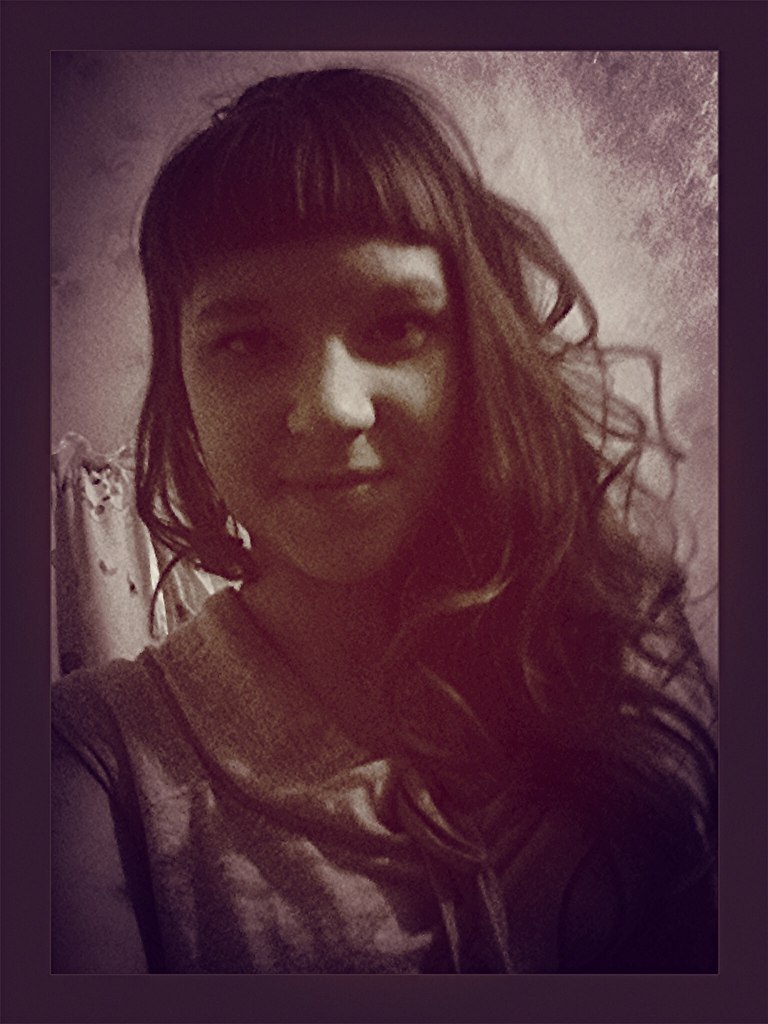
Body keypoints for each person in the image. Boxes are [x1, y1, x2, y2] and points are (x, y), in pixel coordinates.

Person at [51, 66, 717, 974]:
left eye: (397, 326)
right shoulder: (90, 764)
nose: (332, 407)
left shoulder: (611, 653)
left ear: (477, 351)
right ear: (183, 387)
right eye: (247, 341)